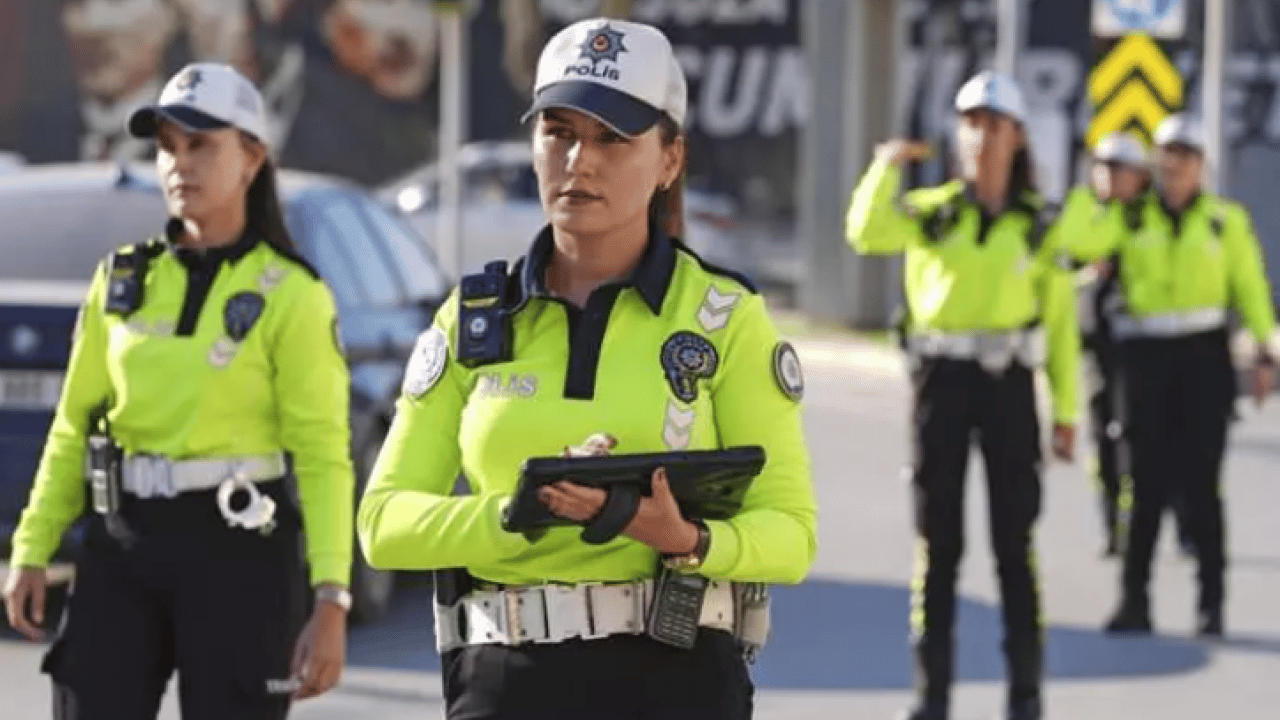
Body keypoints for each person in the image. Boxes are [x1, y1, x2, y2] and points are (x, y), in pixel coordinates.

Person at [356, 18, 817, 720]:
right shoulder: (473, 318)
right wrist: (520, 511)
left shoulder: (725, 320)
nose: (579, 160)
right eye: (559, 132)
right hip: (508, 684)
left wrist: (685, 540)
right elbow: (384, 523)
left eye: (612, 138)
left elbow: (791, 535)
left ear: (670, 160)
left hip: (677, 681)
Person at [2, 62, 353, 719]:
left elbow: (322, 454)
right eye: (167, 147)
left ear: (252, 159)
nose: (179, 164)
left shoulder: (294, 295)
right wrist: (31, 548)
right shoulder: (122, 281)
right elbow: (73, 426)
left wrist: (332, 595)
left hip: (239, 548)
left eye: (200, 145)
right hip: (123, 539)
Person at [847, 71, 1124, 720]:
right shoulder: (933, 212)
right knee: (937, 542)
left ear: (1017, 136)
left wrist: (1065, 412)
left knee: (1013, 544)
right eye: (970, 122)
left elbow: (1060, 325)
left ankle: (1025, 693)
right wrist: (885, 168)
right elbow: (865, 232)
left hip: (1007, 388)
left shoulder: (1038, 225)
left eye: (993, 124)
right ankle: (931, 694)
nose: (979, 136)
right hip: (940, 384)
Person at [1092, 113, 1278, 637]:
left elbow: (1250, 287)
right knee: (1142, 485)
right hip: (1144, 358)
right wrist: (1104, 194)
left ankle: (1210, 605)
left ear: (1201, 166)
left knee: (1202, 486)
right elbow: (1080, 243)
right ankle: (1134, 602)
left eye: (1187, 156)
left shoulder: (1224, 221)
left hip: (1203, 359)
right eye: (1169, 155)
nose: (1176, 166)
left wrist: (1266, 351)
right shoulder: (1129, 217)